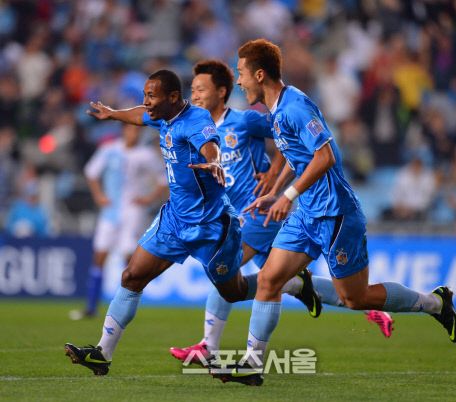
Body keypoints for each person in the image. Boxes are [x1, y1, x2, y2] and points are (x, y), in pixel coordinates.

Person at [211, 39, 456, 387]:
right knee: (269, 280)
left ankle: (435, 303)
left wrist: (288, 194)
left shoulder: (296, 106)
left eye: (240, 74)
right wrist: (273, 193)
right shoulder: (274, 110)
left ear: (258, 74)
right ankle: (253, 364)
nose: (238, 82)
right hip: (306, 214)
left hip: (336, 214)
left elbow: (324, 156)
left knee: (353, 297)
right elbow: (295, 154)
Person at [170, 59, 395, 366]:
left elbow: (289, 143)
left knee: (226, 268)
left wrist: (274, 182)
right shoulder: (201, 132)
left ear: (220, 92)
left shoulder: (246, 120)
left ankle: (209, 347)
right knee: (276, 281)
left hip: (261, 213)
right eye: (192, 90)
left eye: (200, 89)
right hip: (252, 210)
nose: (193, 95)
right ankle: (369, 308)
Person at [64, 69, 269, 376]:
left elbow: (210, 145)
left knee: (234, 292)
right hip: (174, 221)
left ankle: (287, 281)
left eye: (151, 96)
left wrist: (213, 162)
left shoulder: (196, 120)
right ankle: (101, 354)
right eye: (145, 95)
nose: (146, 102)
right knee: (132, 276)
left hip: (211, 226)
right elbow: (140, 116)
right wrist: (113, 113)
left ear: (173, 97)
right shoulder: (162, 115)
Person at [69, 124, 168, 321]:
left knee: (129, 259)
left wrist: (149, 199)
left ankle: (126, 307)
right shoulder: (109, 150)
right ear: (124, 130)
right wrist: (99, 196)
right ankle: (91, 307)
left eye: (137, 130)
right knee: (99, 256)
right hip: (110, 212)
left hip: (133, 212)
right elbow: (91, 173)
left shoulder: (145, 154)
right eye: (130, 129)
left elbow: (163, 180)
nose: (134, 133)